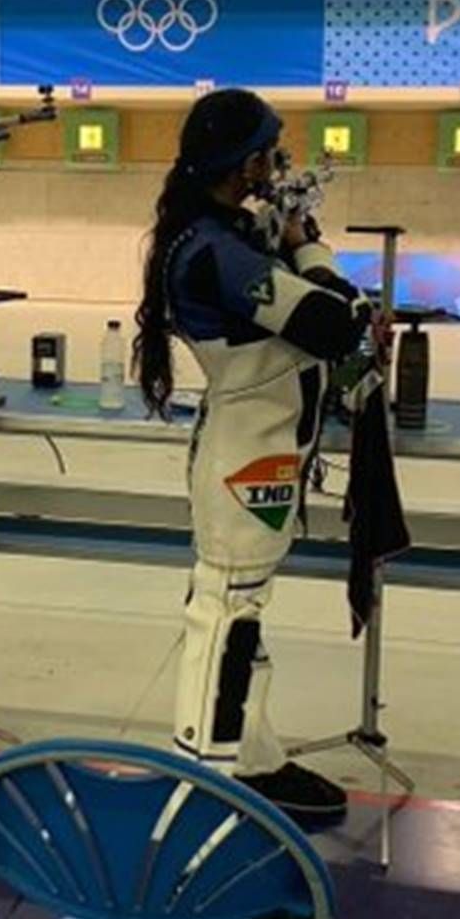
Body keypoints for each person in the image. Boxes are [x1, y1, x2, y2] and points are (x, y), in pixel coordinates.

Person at [133, 89, 372, 818]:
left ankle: (254, 760)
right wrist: (311, 246)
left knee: (243, 607)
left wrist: (291, 236)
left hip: (261, 454)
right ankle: (203, 800)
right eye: (271, 153)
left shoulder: (224, 234)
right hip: (246, 460)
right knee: (227, 616)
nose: (282, 164)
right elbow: (336, 323)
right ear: (243, 167)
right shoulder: (216, 252)